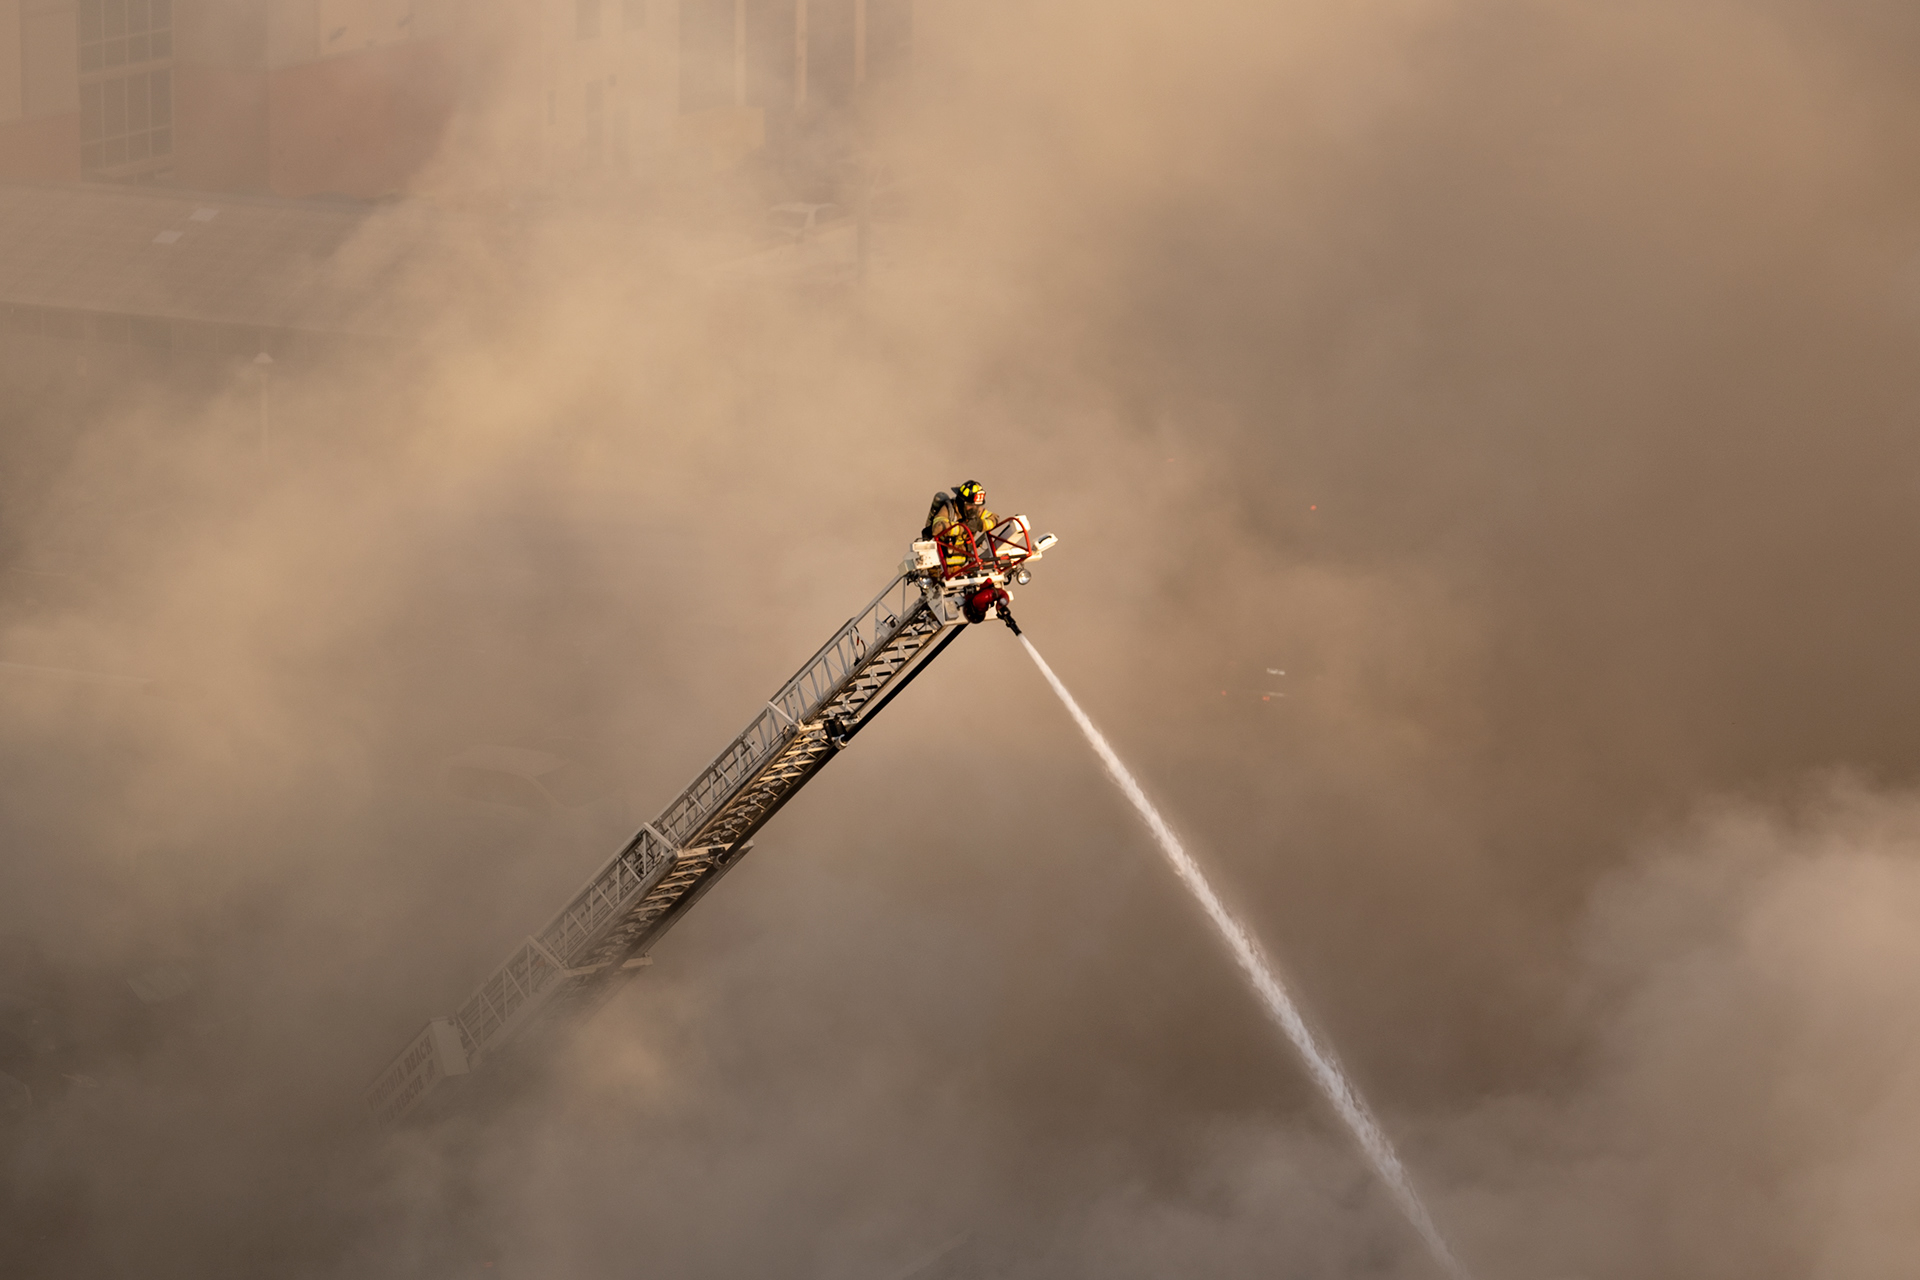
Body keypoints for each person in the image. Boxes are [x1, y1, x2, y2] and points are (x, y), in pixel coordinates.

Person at [923, 480, 998, 574]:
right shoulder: (948, 510)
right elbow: (937, 528)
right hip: (940, 568)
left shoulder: (976, 510)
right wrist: (963, 527)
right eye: (970, 506)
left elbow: (994, 518)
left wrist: (979, 524)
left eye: (977, 506)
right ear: (961, 502)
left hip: (963, 566)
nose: (974, 509)